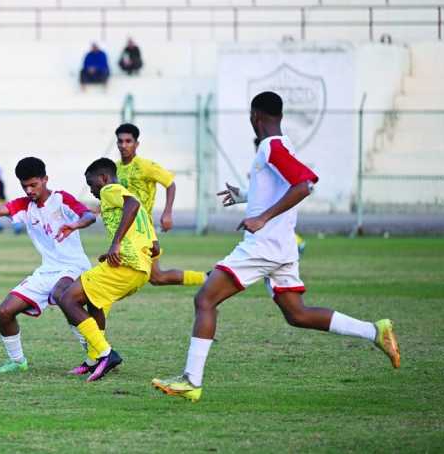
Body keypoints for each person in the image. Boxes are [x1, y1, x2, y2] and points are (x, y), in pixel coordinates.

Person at [152, 91, 400, 402]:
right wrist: (244, 196)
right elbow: (281, 185)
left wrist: (262, 218)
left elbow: (305, 185)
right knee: (297, 315)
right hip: (281, 248)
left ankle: (191, 380)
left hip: (263, 246)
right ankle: (374, 331)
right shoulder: (283, 145)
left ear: (255, 117)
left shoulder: (272, 147)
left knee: (205, 299)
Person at [0, 156, 98, 374]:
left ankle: (98, 354)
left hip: (73, 266)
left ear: (45, 179)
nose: (29, 190)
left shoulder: (61, 199)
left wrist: (74, 225)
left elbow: (89, 216)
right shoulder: (23, 206)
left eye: (33, 184)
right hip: (47, 270)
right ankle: (18, 362)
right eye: (24, 186)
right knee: (5, 311)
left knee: (61, 296)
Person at [56, 157, 158, 382]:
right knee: (95, 303)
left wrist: (116, 243)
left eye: (92, 184)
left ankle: (106, 354)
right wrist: (118, 250)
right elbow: (155, 246)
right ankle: (93, 360)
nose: (92, 191)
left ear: (103, 178)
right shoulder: (127, 196)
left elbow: (132, 205)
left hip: (127, 264)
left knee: (67, 299)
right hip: (139, 269)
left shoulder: (110, 190)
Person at [115, 123, 207, 287]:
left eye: (128, 141)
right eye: (120, 141)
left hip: (143, 230)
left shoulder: (146, 166)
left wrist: (167, 213)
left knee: (138, 273)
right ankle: (206, 278)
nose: (124, 145)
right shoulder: (115, 168)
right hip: (127, 229)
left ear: (136, 144)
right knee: (157, 277)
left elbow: (170, 184)